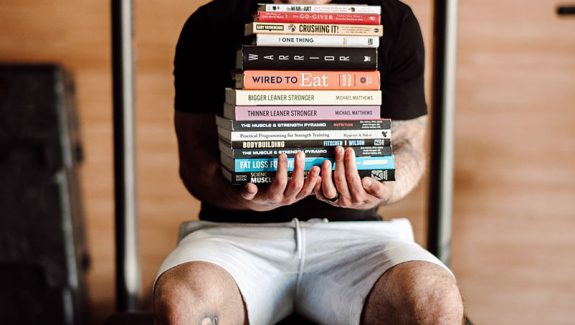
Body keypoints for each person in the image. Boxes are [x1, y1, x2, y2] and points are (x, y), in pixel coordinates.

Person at [153, 0, 464, 324]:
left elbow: (408, 147)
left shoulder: (392, 19)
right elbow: (194, 158)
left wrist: (383, 186)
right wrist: (242, 197)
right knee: (182, 303)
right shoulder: (211, 21)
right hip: (233, 236)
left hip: (356, 239)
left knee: (435, 300)